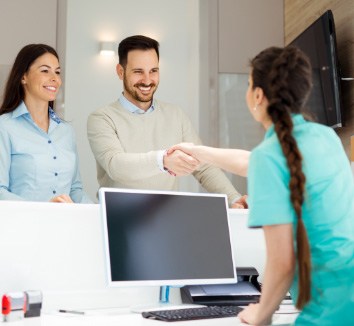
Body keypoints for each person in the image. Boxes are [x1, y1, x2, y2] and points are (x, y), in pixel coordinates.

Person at [169, 46, 354, 325]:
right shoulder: (326, 137)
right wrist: (198, 151)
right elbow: (253, 161)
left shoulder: (271, 157)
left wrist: (261, 313)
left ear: (257, 95)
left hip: (328, 310)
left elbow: (282, 262)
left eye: (248, 84)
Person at [87, 35, 247, 208]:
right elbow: (116, 165)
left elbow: (203, 167)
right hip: (118, 219)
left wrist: (233, 198)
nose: (147, 80)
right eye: (138, 71)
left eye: (153, 71)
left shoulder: (176, 115)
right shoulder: (102, 118)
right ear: (120, 71)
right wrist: (163, 160)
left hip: (166, 218)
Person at [0, 44, 91, 203]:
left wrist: (97, 213)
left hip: (64, 225)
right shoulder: (4, 127)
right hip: (21, 226)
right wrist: (44, 209)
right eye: (44, 70)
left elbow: (75, 189)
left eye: (57, 72)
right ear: (23, 77)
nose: (55, 79)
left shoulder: (66, 131)